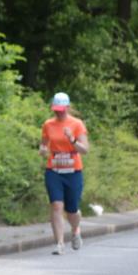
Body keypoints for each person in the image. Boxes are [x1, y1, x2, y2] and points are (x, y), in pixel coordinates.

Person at [39, 93, 89, 255]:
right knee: (56, 205)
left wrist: (72, 139)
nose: (58, 112)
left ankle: (75, 230)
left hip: (73, 171)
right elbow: (43, 144)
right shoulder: (48, 124)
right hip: (54, 170)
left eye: (61, 109)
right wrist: (42, 150)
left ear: (67, 107)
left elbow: (85, 150)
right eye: (56, 109)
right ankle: (59, 243)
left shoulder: (77, 124)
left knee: (72, 210)